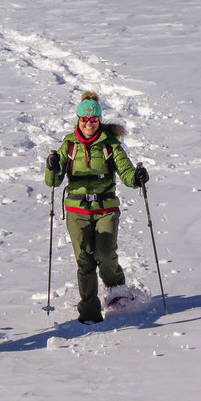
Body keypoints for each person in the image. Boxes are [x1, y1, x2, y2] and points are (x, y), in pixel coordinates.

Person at [43, 91, 149, 322]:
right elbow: (53, 181)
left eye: (93, 119)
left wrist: (136, 177)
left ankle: (117, 294)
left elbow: (126, 171)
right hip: (77, 211)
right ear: (78, 120)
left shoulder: (110, 144)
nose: (89, 123)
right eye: (84, 119)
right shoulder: (69, 145)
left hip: (105, 209)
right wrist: (52, 166)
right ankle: (89, 310)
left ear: (99, 120)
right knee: (84, 260)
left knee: (106, 253)